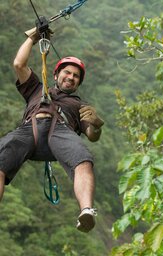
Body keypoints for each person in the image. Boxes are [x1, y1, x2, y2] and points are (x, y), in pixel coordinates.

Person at [0, 29, 104, 233]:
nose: (71, 77)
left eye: (76, 76)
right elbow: (18, 64)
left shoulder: (79, 105)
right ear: (56, 74)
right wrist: (33, 37)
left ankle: (87, 210)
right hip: (30, 130)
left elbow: (92, 136)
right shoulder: (36, 88)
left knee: (83, 159)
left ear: (78, 84)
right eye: (67, 72)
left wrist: (97, 124)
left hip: (61, 132)